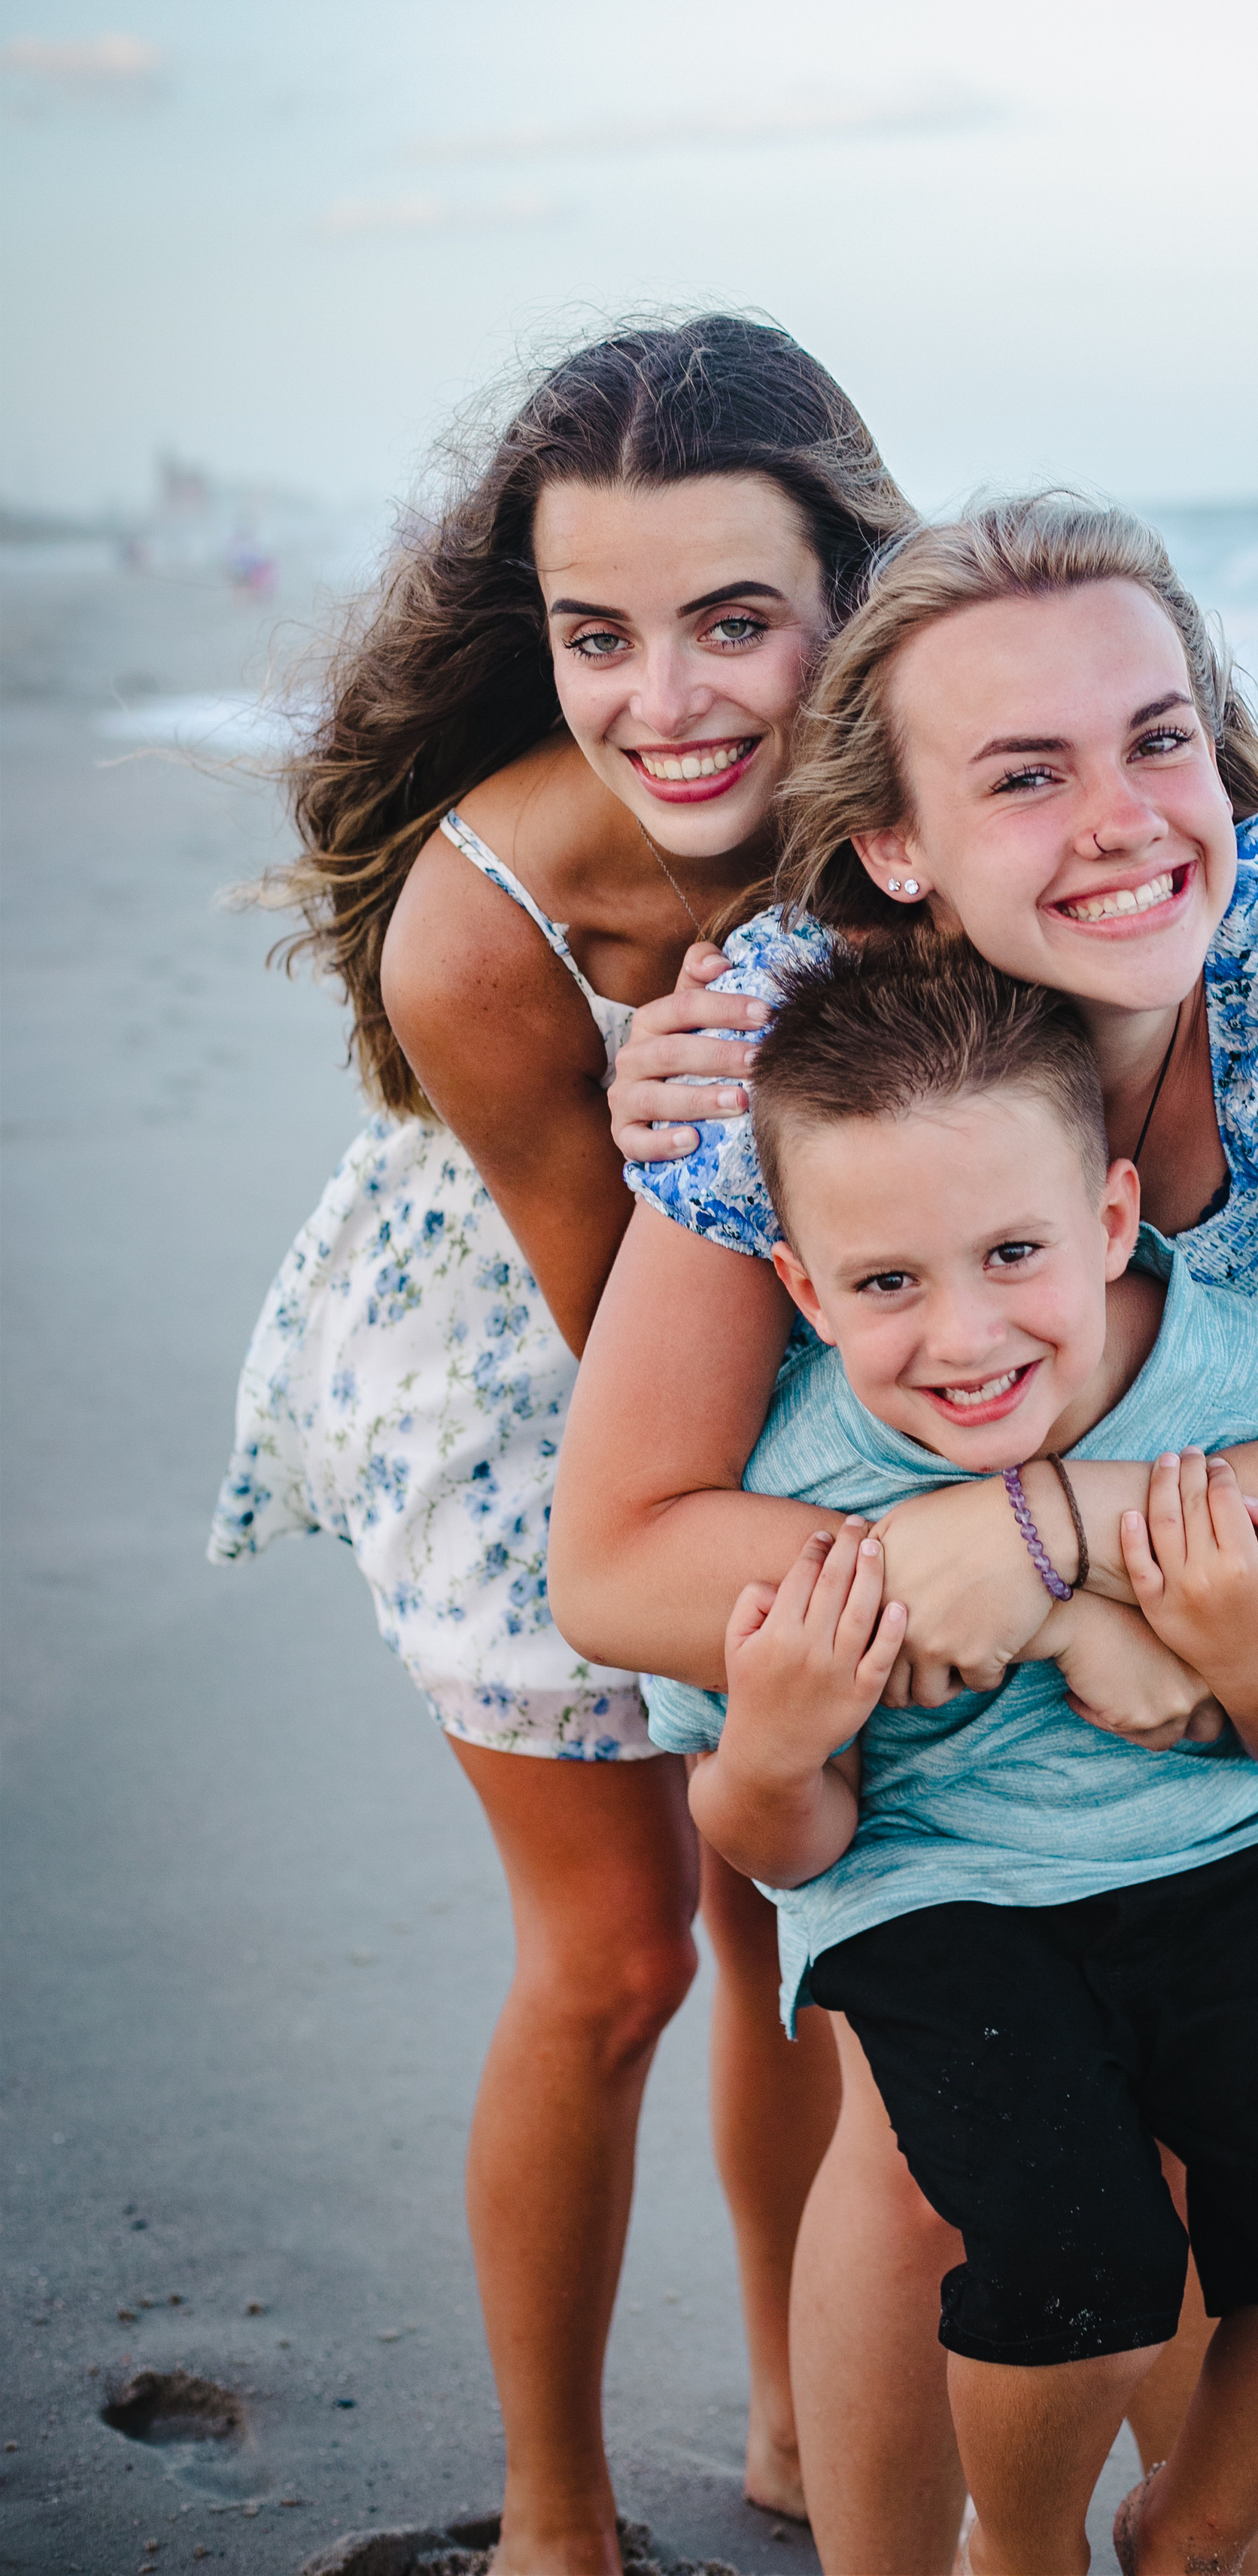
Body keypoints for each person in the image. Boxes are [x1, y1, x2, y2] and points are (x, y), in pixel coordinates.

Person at [549, 494, 1258, 2574]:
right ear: (898, 843)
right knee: (932, 2152)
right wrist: (944, 1566)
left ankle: (1197, 2532)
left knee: (1217, 2107)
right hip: (873, 1602)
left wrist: (1060, 1533)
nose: (1125, 820)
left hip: (1171, 1492)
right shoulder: (789, 1031)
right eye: (1025, 771)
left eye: (1159, 738)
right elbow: (626, 1552)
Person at [208, 314, 914, 2576]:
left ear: (850, 605)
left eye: (736, 621)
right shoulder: (483, 924)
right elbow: (625, 1361)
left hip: (825, 1331)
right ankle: (553, 2511)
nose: (669, 700)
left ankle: (805, 2427)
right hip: (538, 1357)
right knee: (616, 1951)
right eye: (597, 635)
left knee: (790, 1903)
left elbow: (1186, 930)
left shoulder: (925, 788)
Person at [644, 942, 1258, 2576]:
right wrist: (789, 1739)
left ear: (1107, 1222)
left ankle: (1186, 2530)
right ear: (801, 1290)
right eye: (883, 1284)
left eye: (1012, 1252)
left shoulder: (1254, 1392)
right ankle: (1016, 2551)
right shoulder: (795, 1482)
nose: (962, 1337)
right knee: (1078, 2277)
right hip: (938, 1903)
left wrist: (1248, 1660)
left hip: (1231, 1862)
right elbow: (766, 1841)